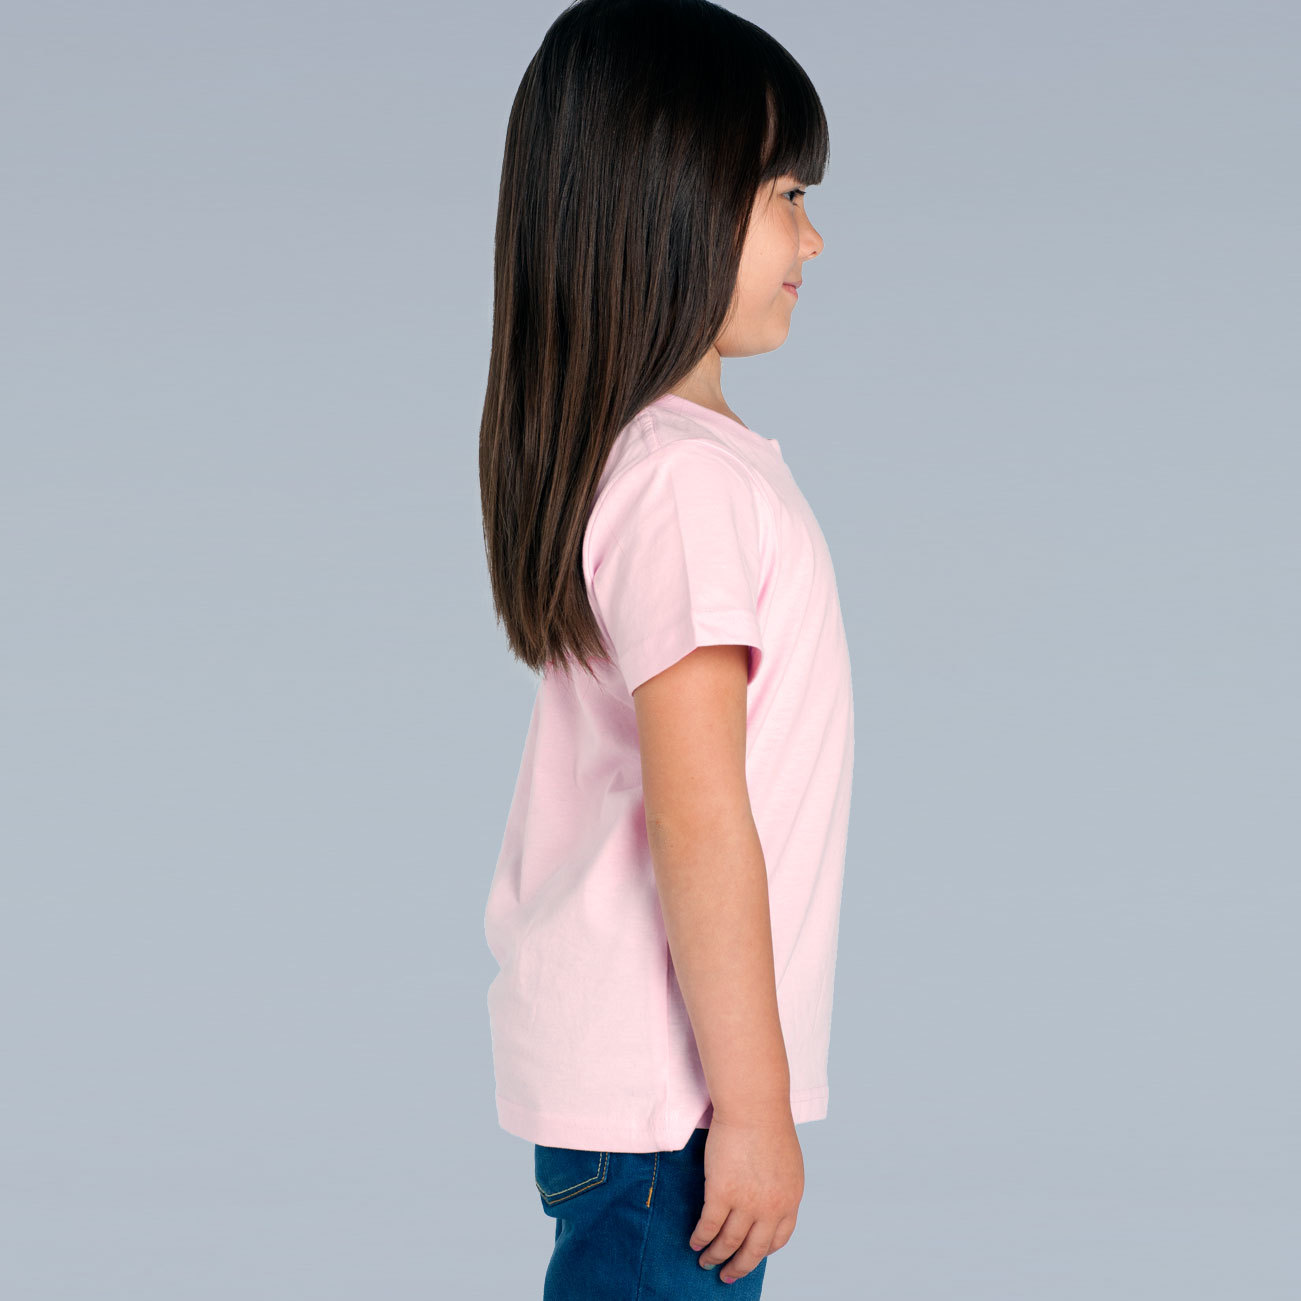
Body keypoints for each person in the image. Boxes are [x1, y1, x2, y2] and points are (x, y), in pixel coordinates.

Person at [478, 1, 853, 1295]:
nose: (813, 236)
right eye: (784, 194)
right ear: (668, 200)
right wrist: (750, 1106)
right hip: (668, 1112)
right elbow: (698, 816)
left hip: (654, 1102)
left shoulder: (671, 465)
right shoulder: (682, 483)